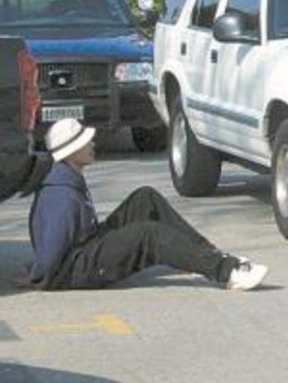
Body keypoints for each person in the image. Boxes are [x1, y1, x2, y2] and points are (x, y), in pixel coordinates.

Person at [27, 118, 268, 290]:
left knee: (145, 197)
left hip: (87, 248)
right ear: (71, 152)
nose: (93, 144)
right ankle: (227, 272)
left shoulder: (67, 177)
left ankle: (207, 254)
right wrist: (39, 276)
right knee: (148, 235)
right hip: (76, 270)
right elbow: (50, 253)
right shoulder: (60, 196)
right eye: (85, 142)